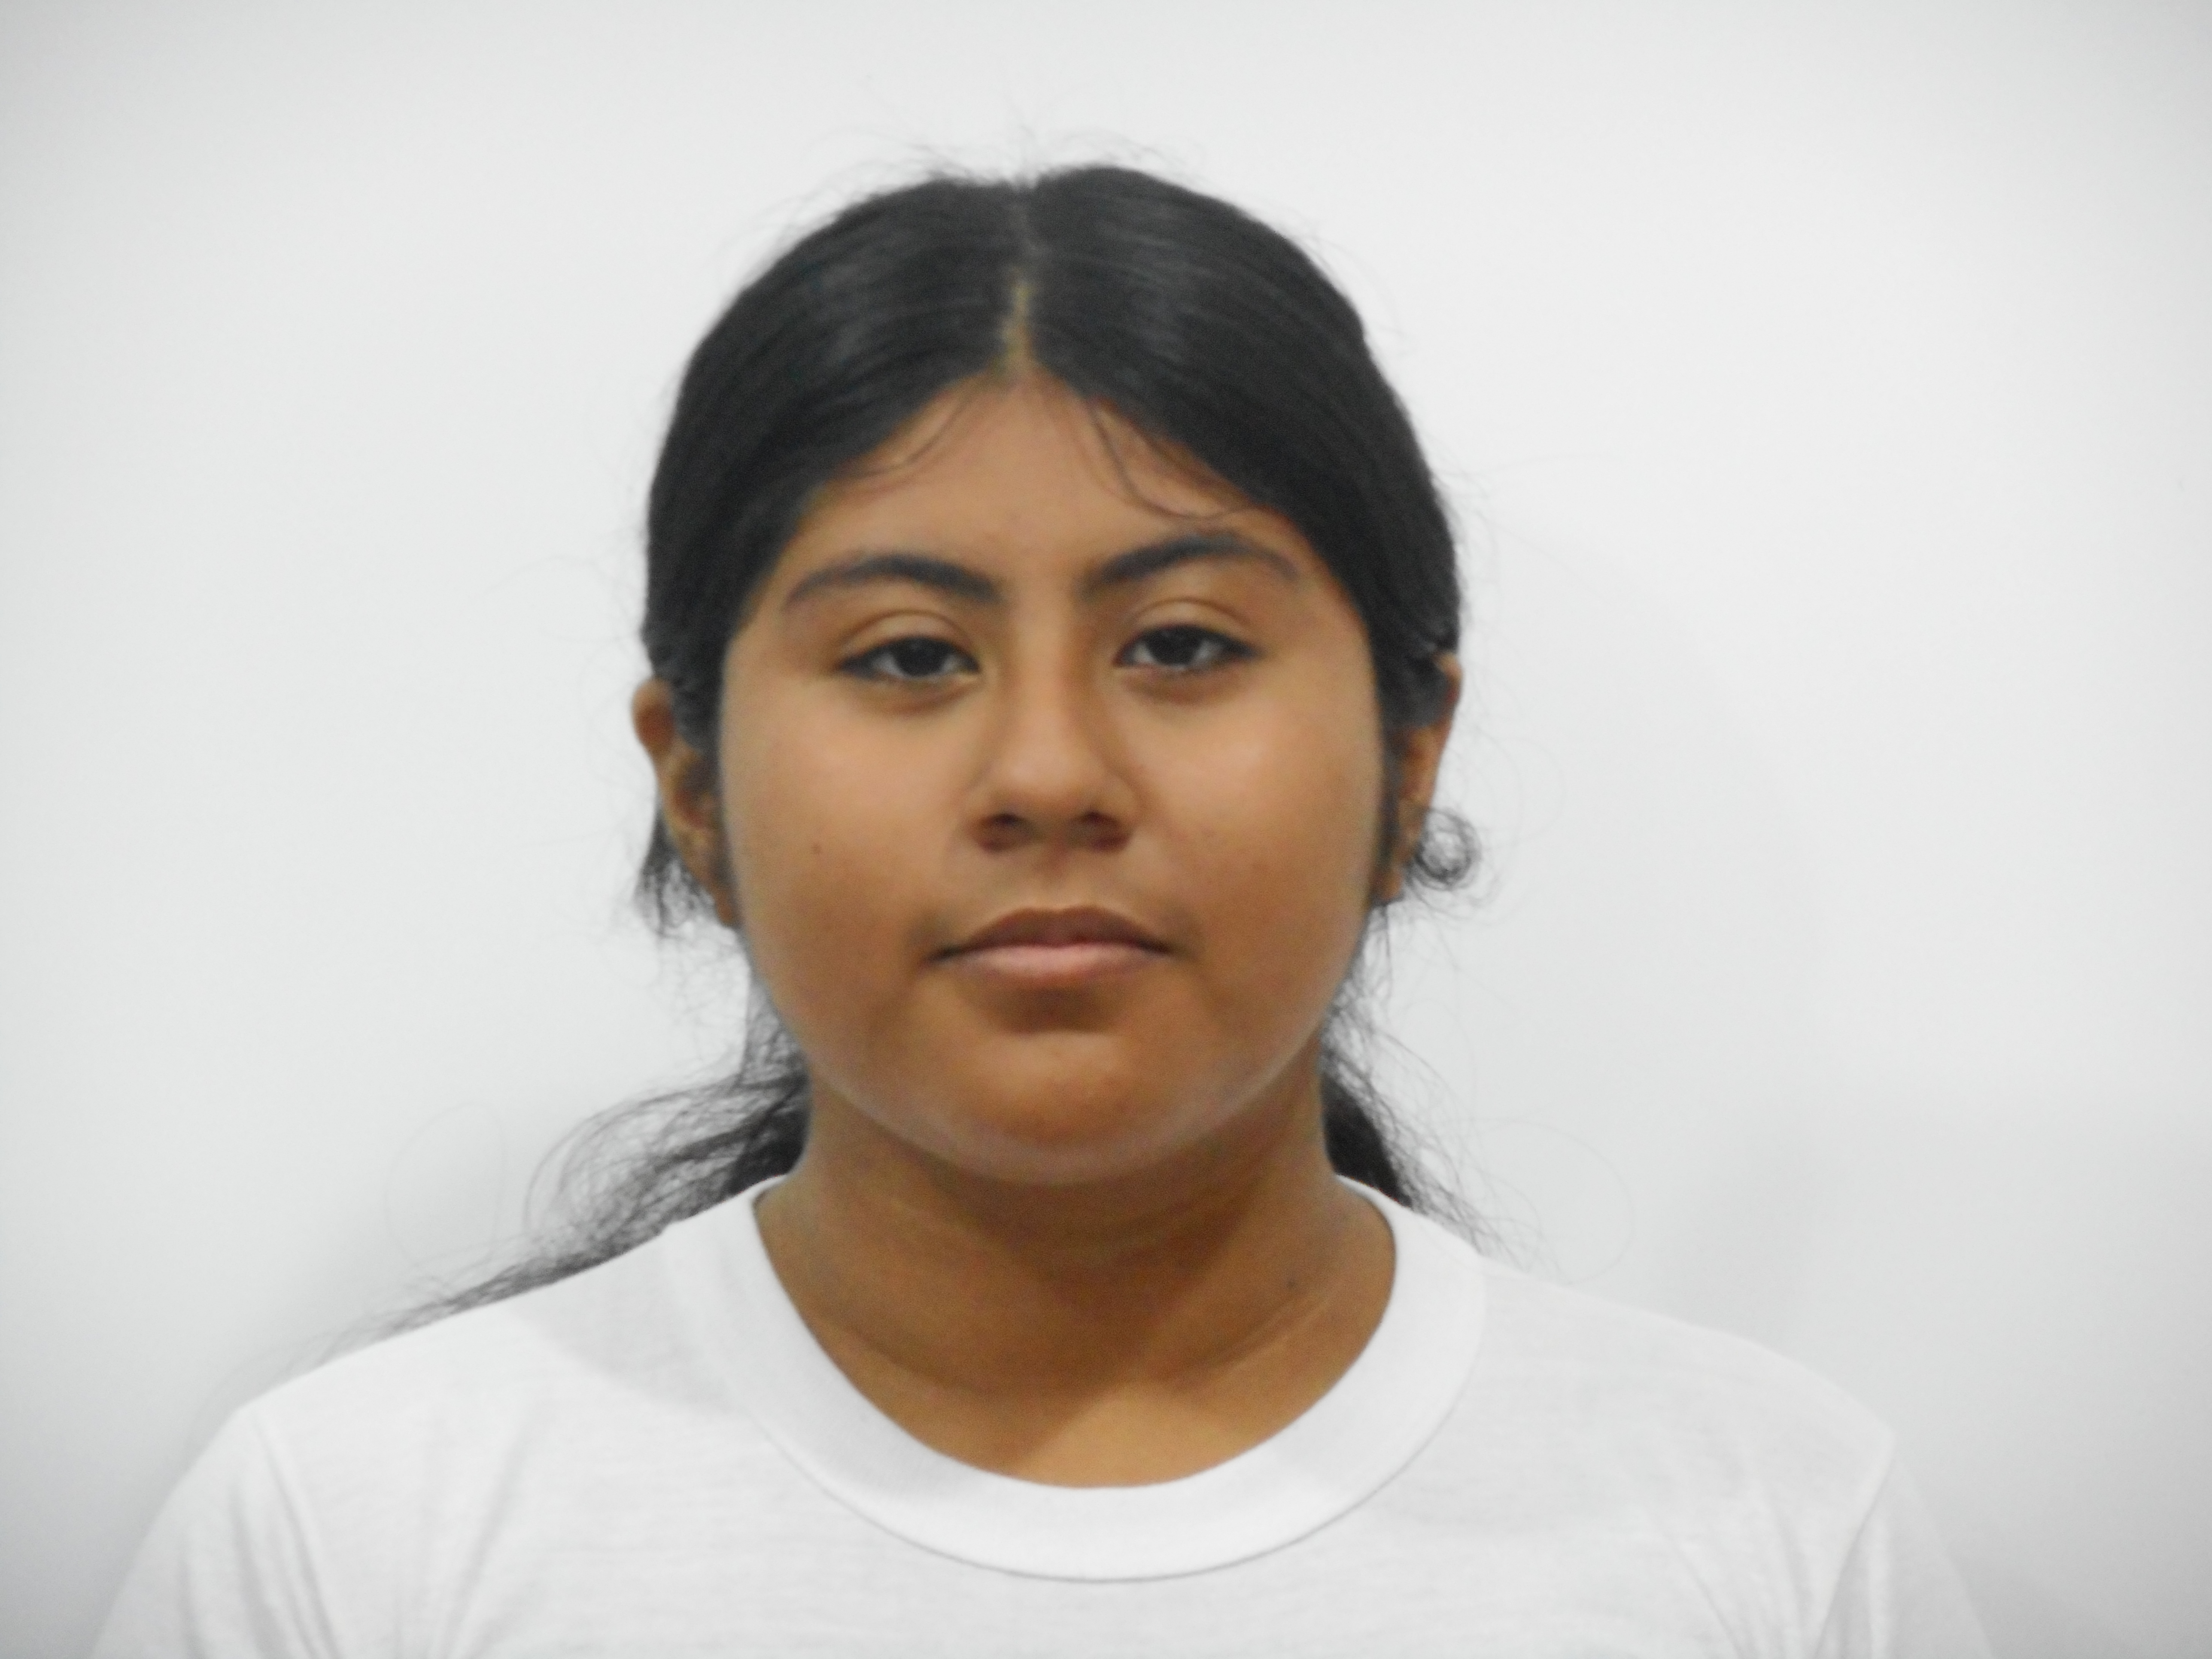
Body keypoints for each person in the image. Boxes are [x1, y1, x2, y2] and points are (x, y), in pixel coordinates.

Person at [94, 164, 1991, 1656]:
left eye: (1182, 643)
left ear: (1408, 759)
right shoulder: (356, 1542)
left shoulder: (1767, 1527)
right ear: (697, 789)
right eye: (910, 656)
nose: (1049, 772)